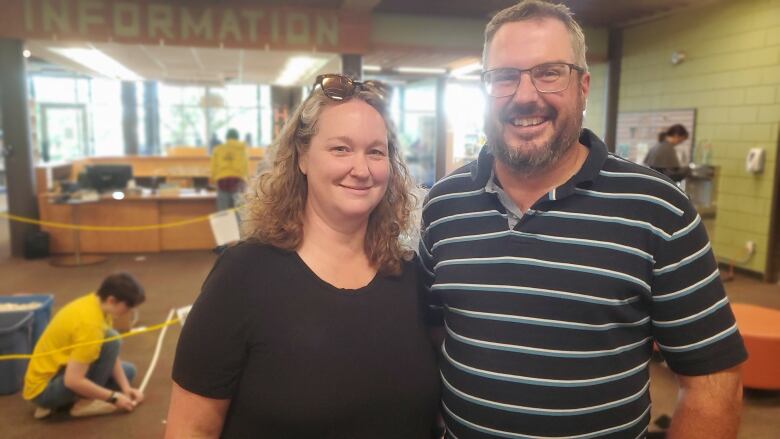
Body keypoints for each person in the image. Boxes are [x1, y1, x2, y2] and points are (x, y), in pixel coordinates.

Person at [419, 1, 747, 438]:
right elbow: (436, 332)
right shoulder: (443, 205)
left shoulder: (658, 209)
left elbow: (714, 384)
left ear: (583, 86)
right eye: (504, 76)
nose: (525, 95)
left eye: (549, 72)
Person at [166, 74, 441, 438]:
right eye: (340, 149)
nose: (361, 169)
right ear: (302, 158)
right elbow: (191, 429)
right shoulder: (243, 277)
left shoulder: (409, 276)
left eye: (376, 151)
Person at [23, 273, 146, 419]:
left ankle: (64, 403)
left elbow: (110, 355)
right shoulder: (90, 326)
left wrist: (126, 389)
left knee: (128, 371)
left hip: (60, 371)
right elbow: (72, 380)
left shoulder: (96, 303)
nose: (129, 312)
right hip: (44, 391)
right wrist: (113, 398)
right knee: (112, 340)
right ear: (112, 300)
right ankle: (84, 403)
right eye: (127, 307)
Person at [210, 128, 249, 211]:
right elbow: (245, 168)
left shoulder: (218, 149)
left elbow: (214, 167)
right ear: (237, 138)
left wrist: (214, 179)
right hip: (238, 181)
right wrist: (245, 181)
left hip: (222, 182)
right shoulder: (242, 149)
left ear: (226, 138)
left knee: (223, 213)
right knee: (239, 212)